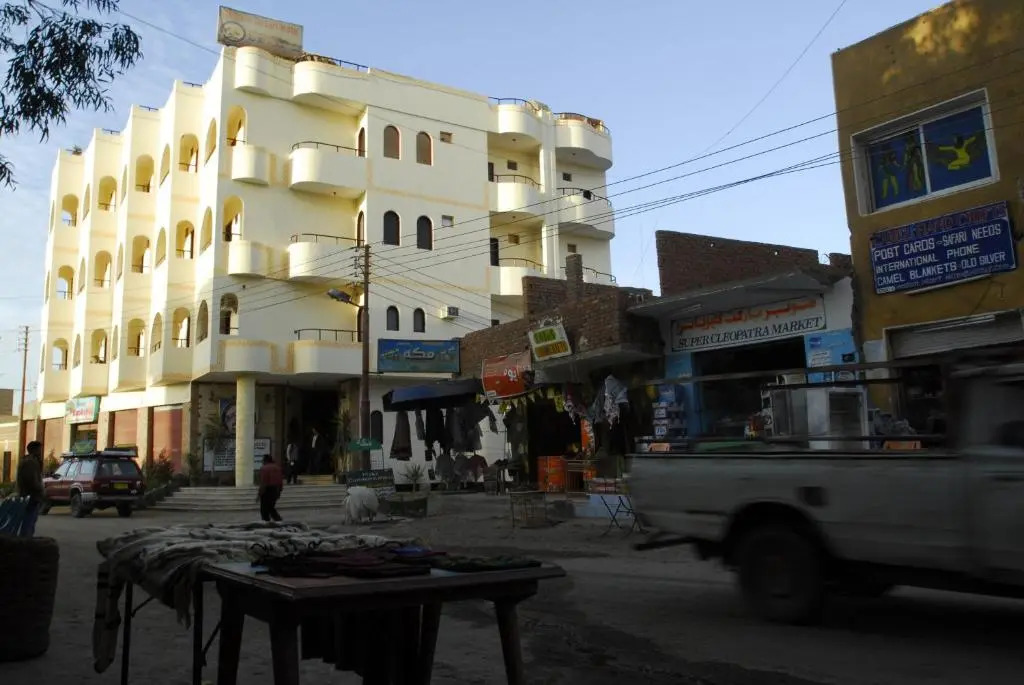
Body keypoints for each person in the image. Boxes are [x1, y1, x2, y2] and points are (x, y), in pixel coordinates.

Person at [16, 441, 44, 537]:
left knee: (30, 519)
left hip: (29, 495)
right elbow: (32, 480)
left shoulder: (29, 461)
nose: (40, 452)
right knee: (29, 520)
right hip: (31, 495)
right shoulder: (30, 462)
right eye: (39, 449)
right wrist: (40, 488)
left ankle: (26, 537)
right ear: (34, 450)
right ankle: (26, 539)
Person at [257, 454, 284, 522]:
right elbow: (280, 481)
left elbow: (264, 482)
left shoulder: (264, 468)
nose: (262, 462)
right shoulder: (277, 468)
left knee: (264, 509)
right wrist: (279, 492)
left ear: (265, 460)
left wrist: (259, 494)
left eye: (262, 460)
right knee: (270, 507)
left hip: (267, 490)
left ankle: (267, 522)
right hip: (276, 489)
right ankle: (278, 520)